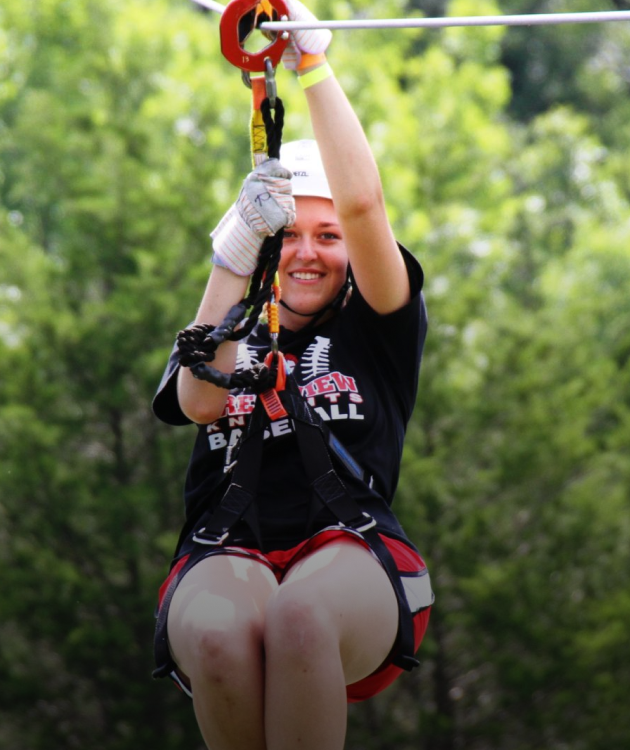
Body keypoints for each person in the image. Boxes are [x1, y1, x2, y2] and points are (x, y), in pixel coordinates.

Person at [151, 4, 432, 748]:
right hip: (226, 547)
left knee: (297, 618)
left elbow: (366, 204)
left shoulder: (376, 325)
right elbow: (198, 398)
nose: (308, 253)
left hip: (350, 554)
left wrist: (312, 63)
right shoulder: (233, 321)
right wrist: (232, 255)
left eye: (328, 236)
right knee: (217, 635)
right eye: (290, 234)